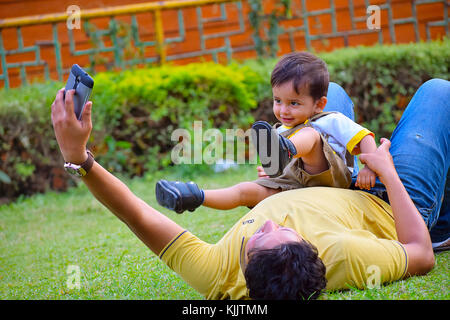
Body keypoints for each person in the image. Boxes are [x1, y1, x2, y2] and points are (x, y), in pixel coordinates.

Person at [51, 78, 449, 300]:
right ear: (314, 251)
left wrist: (79, 157)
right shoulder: (345, 256)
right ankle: (439, 216)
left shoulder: (216, 276)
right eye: (285, 231)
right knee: (436, 92)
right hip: (390, 204)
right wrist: (386, 171)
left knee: (329, 90)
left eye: (259, 235)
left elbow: (135, 214)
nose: (271, 223)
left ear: (245, 264)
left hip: (320, 177)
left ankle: (297, 147)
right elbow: (420, 255)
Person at [155, 52, 377, 214]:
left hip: (331, 180)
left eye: (294, 103)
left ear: (319, 104)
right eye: (277, 101)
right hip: (294, 186)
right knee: (245, 190)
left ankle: (286, 152)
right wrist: (272, 173)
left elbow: (365, 137)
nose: (283, 110)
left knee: (310, 136)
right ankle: (193, 196)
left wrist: (369, 167)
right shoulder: (279, 130)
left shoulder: (330, 119)